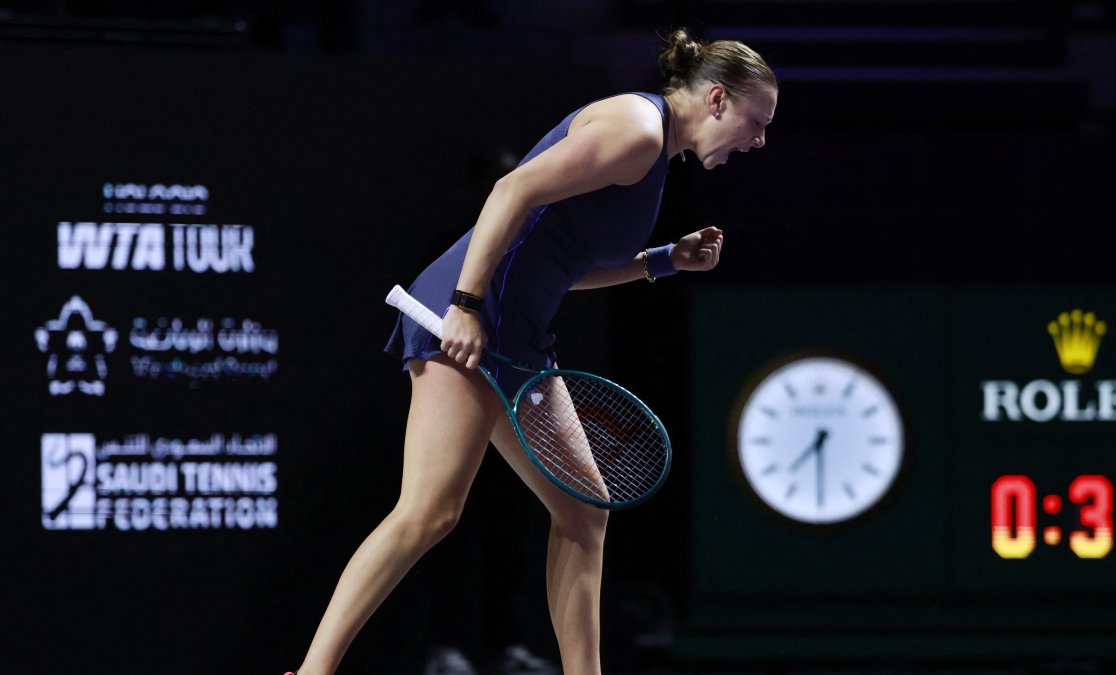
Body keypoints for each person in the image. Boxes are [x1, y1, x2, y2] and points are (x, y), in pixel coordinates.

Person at [287, 28, 777, 675]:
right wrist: (465, 304)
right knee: (429, 512)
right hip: (472, 317)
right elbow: (510, 191)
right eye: (757, 121)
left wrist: (666, 260)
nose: (759, 140)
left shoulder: (653, 150)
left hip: (519, 340)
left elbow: (563, 266)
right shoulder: (637, 130)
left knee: (584, 511)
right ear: (716, 99)